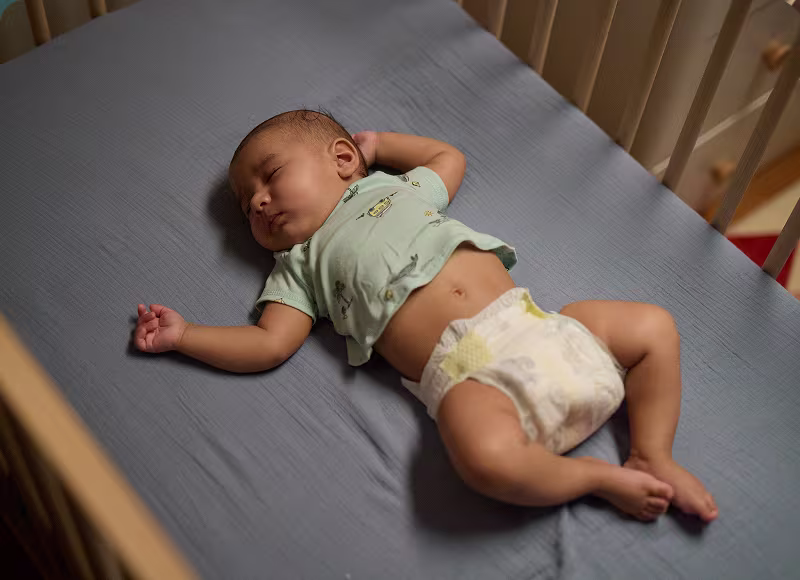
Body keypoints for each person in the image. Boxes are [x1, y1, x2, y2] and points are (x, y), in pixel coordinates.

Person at [134, 110, 718, 522]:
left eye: (271, 176)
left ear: (342, 160)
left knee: (652, 327)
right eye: (246, 205)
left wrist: (382, 143)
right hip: (470, 378)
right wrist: (187, 336)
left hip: (541, 325)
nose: (258, 201)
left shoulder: (397, 190)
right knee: (482, 457)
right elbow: (267, 345)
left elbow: (448, 157)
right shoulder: (298, 267)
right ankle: (598, 479)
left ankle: (652, 452)